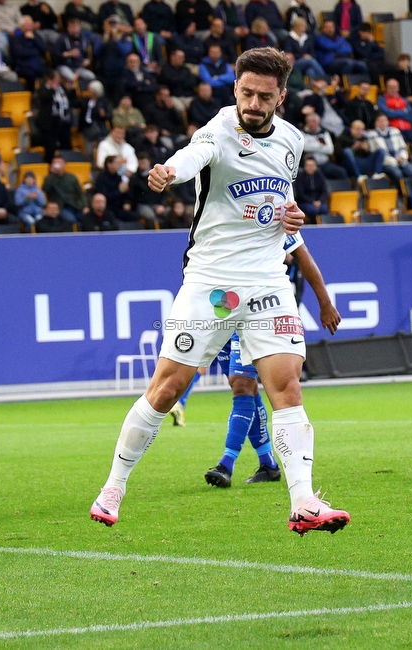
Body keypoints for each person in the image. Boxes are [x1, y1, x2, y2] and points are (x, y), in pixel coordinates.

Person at [89, 47, 350, 536]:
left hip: (269, 280)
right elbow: (192, 157)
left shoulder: (292, 141)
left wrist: (289, 215)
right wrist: (168, 172)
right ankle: (113, 486)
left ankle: (303, 502)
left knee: (287, 389)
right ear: (235, 90)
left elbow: (280, 200)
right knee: (166, 389)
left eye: (264, 96)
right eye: (246, 92)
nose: (253, 102)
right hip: (211, 282)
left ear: (281, 96)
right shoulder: (216, 130)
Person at [204, 232, 341, 487]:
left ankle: (227, 463)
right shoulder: (217, 219)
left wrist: (325, 302)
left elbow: (301, 255)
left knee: (241, 383)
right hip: (224, 310)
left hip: (260, 313)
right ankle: (267, 462)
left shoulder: (273, 214)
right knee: (243, 387)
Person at [42, 155, 86, 223]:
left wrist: (85, 206)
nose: (58, 165)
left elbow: (80, 193)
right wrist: (53, 174)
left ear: (65, 165)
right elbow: (44, 189)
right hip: (60, 208)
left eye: (60, 163)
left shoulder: (71, 177)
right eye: (55, 163)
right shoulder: (49, 179)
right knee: (71, 220)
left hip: (74, 205)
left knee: (87, 218)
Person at [294, 155, 329, 222]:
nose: (310, 168)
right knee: (312, 210)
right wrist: (312, 202)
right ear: (304, 166)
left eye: (312, 165)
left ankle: (324, 226)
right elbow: (300, 194)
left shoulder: (320, 175)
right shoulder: (300, 177)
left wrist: (320, 201)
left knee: (324, 209)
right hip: (305, 202)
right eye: (308, 165)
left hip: (319, 201)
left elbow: (324, 190)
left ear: (316, 166)